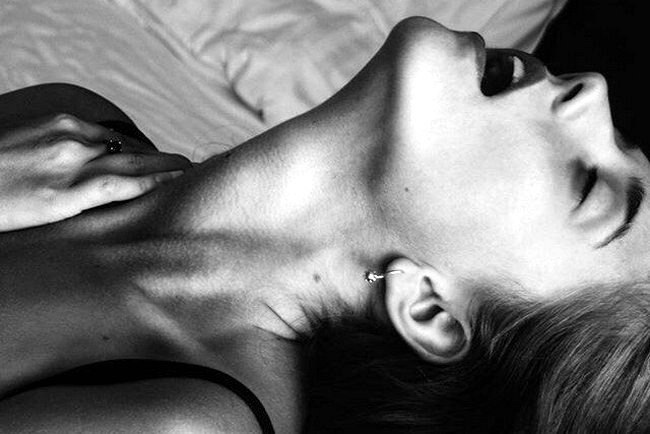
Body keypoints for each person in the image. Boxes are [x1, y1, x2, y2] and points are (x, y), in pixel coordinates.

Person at [0, 16, 649, 433]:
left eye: (591, 187)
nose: (592, 89)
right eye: (623, 139)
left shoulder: (182, 422)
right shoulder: (72, 122)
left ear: (427, 308)